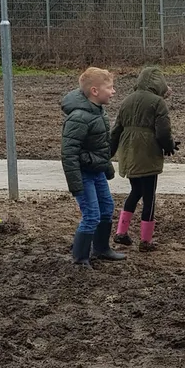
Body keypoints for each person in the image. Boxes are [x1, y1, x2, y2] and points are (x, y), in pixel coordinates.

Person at [61, 67, 126, 266]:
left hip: (96, 171)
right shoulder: (79, 117)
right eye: (110, 87)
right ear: (95, 91)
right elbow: (69, 153)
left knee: (107, 208)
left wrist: (106, 167)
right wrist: (76, 184)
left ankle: (101, 248)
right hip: (83, 174)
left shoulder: (98, 112)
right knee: (91, 215)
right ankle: (80, 259)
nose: (113, 91)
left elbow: (101, 146)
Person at [110, 66, 175, 252]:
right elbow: (163, 131)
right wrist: (169, 146)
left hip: (128, 152)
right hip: (148, 154)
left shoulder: (126, 101)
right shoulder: (158, 102)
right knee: (149, 197)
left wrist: (109, 153)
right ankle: (145, 241)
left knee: (135, 191)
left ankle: (121, 232)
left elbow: (115, 131)